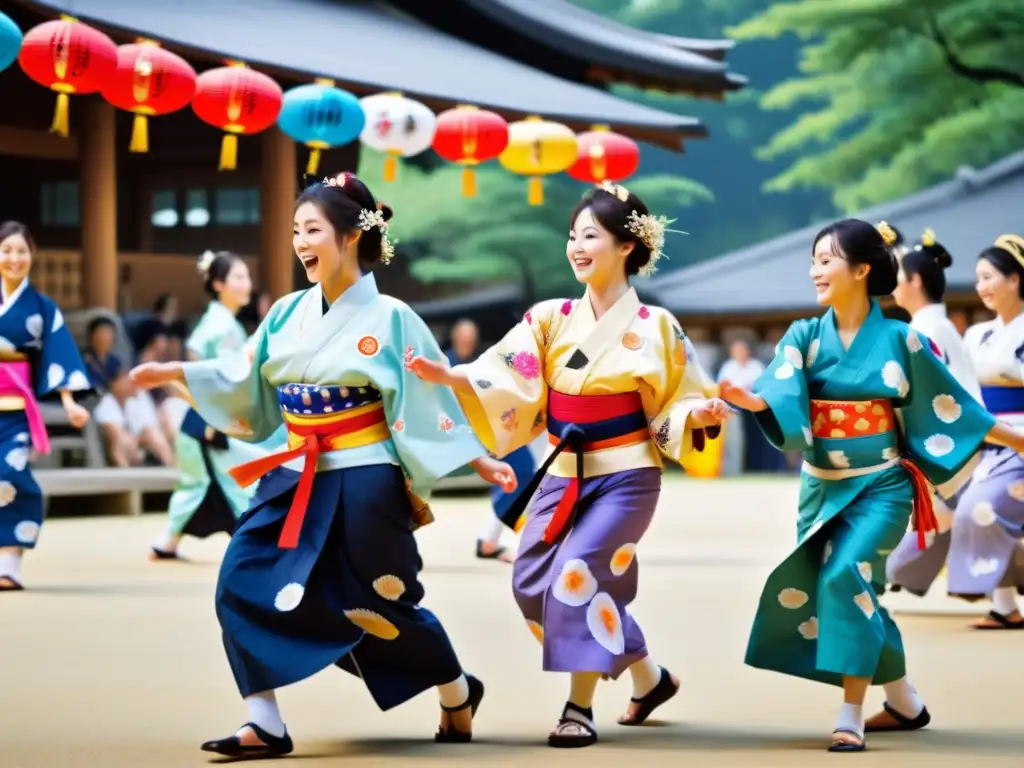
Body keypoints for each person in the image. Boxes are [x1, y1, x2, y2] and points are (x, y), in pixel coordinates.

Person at [130, 171, 517, 758]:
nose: (300, 242)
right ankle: (264, 720)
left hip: (366, 475)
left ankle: (456, 690)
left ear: (350, 237)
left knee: (380, 600)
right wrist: (179, 375)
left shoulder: (392, 318)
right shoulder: (286, 313)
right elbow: (243, 376)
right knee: (241, 576)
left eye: (313, 229)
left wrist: (477, 459)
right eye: (295, 231)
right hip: (293, 475)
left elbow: (428, 398)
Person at [407, 181, 728, 749]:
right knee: (531, 583)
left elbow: (678, 400)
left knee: (577, 573)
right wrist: (448, 376)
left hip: (626, 474)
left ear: (627, 246)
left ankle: (579, 706)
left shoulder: (657, 326)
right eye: (573, 235)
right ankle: (648, 679)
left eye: (591, 236)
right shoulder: (550, 318)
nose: (576, 246)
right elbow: (500, 374)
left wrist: (699, 411)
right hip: (561, 472)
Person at [719, 219, 1024, 752]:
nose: (816, 270)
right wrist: (749, 402)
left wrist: (1018, 442)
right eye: (813, 260)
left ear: (861, 270)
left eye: (826, 260)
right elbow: (777, 388)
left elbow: (953, 407)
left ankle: (850, 712)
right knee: (854, 592)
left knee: (844, 578)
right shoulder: (803, 336)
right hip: (822, 486)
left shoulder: (903, 338)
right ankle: (904, 699)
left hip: (882, 484)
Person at [886, 229, 983, 600]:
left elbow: (934, 398)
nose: (893, 285)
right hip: (952, 441)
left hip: (952, 444)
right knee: (943, 522)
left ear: (915, 280)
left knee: (952, 518)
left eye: (897, 277)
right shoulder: (931, 327)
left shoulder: (929, 330)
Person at [149, 251, 263, 561]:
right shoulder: (221, 324)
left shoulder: (227, 322)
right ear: (217, 284)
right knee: (229, 482)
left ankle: (168, 541)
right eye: (238, 277)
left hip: (214, 416)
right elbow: (198, 356)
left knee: (208, 484)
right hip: (208, 419)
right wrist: (211, 405)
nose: (246, 284)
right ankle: (250, 544)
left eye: (246, 276)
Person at [938, 234, 1024, 629]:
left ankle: (1005, 602)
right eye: (978, 279)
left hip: (1020, 437)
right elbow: (962, 388)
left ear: (1015, 279)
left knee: (982, 507)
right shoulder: (976, 334)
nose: (982, 287)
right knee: (947, 507)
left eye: (990, 277)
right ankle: (1004, 604)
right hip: (984, 435)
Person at [0, 221, 92, 591]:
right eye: (7, 250)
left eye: (21, 251)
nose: (14, 258)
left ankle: (9, 563)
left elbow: (60, 355)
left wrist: (70, 402)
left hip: (17, 411)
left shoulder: (41, 307)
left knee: (9, 474)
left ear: (32, 256)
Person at [444, 317, 536, 563]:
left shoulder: (484, 359)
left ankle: (491, 539)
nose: (466, 340)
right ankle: (493, 539)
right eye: (463, 336)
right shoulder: (446, 363)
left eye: (470, 336)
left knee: (519, 473)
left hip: (492, 427)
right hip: (460, 433)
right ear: (455, 337)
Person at [716, 338, 765, 475]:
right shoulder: (728, 366)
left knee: (755, 439)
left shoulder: (756, 366)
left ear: (747, 351)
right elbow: (722, 387)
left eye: (741, 350)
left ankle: (755, 468)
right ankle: (735, 469)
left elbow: (761, 386)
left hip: (753, 408)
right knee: (734, 441)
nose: (739, 353)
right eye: (736, 351)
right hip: (734, 408)